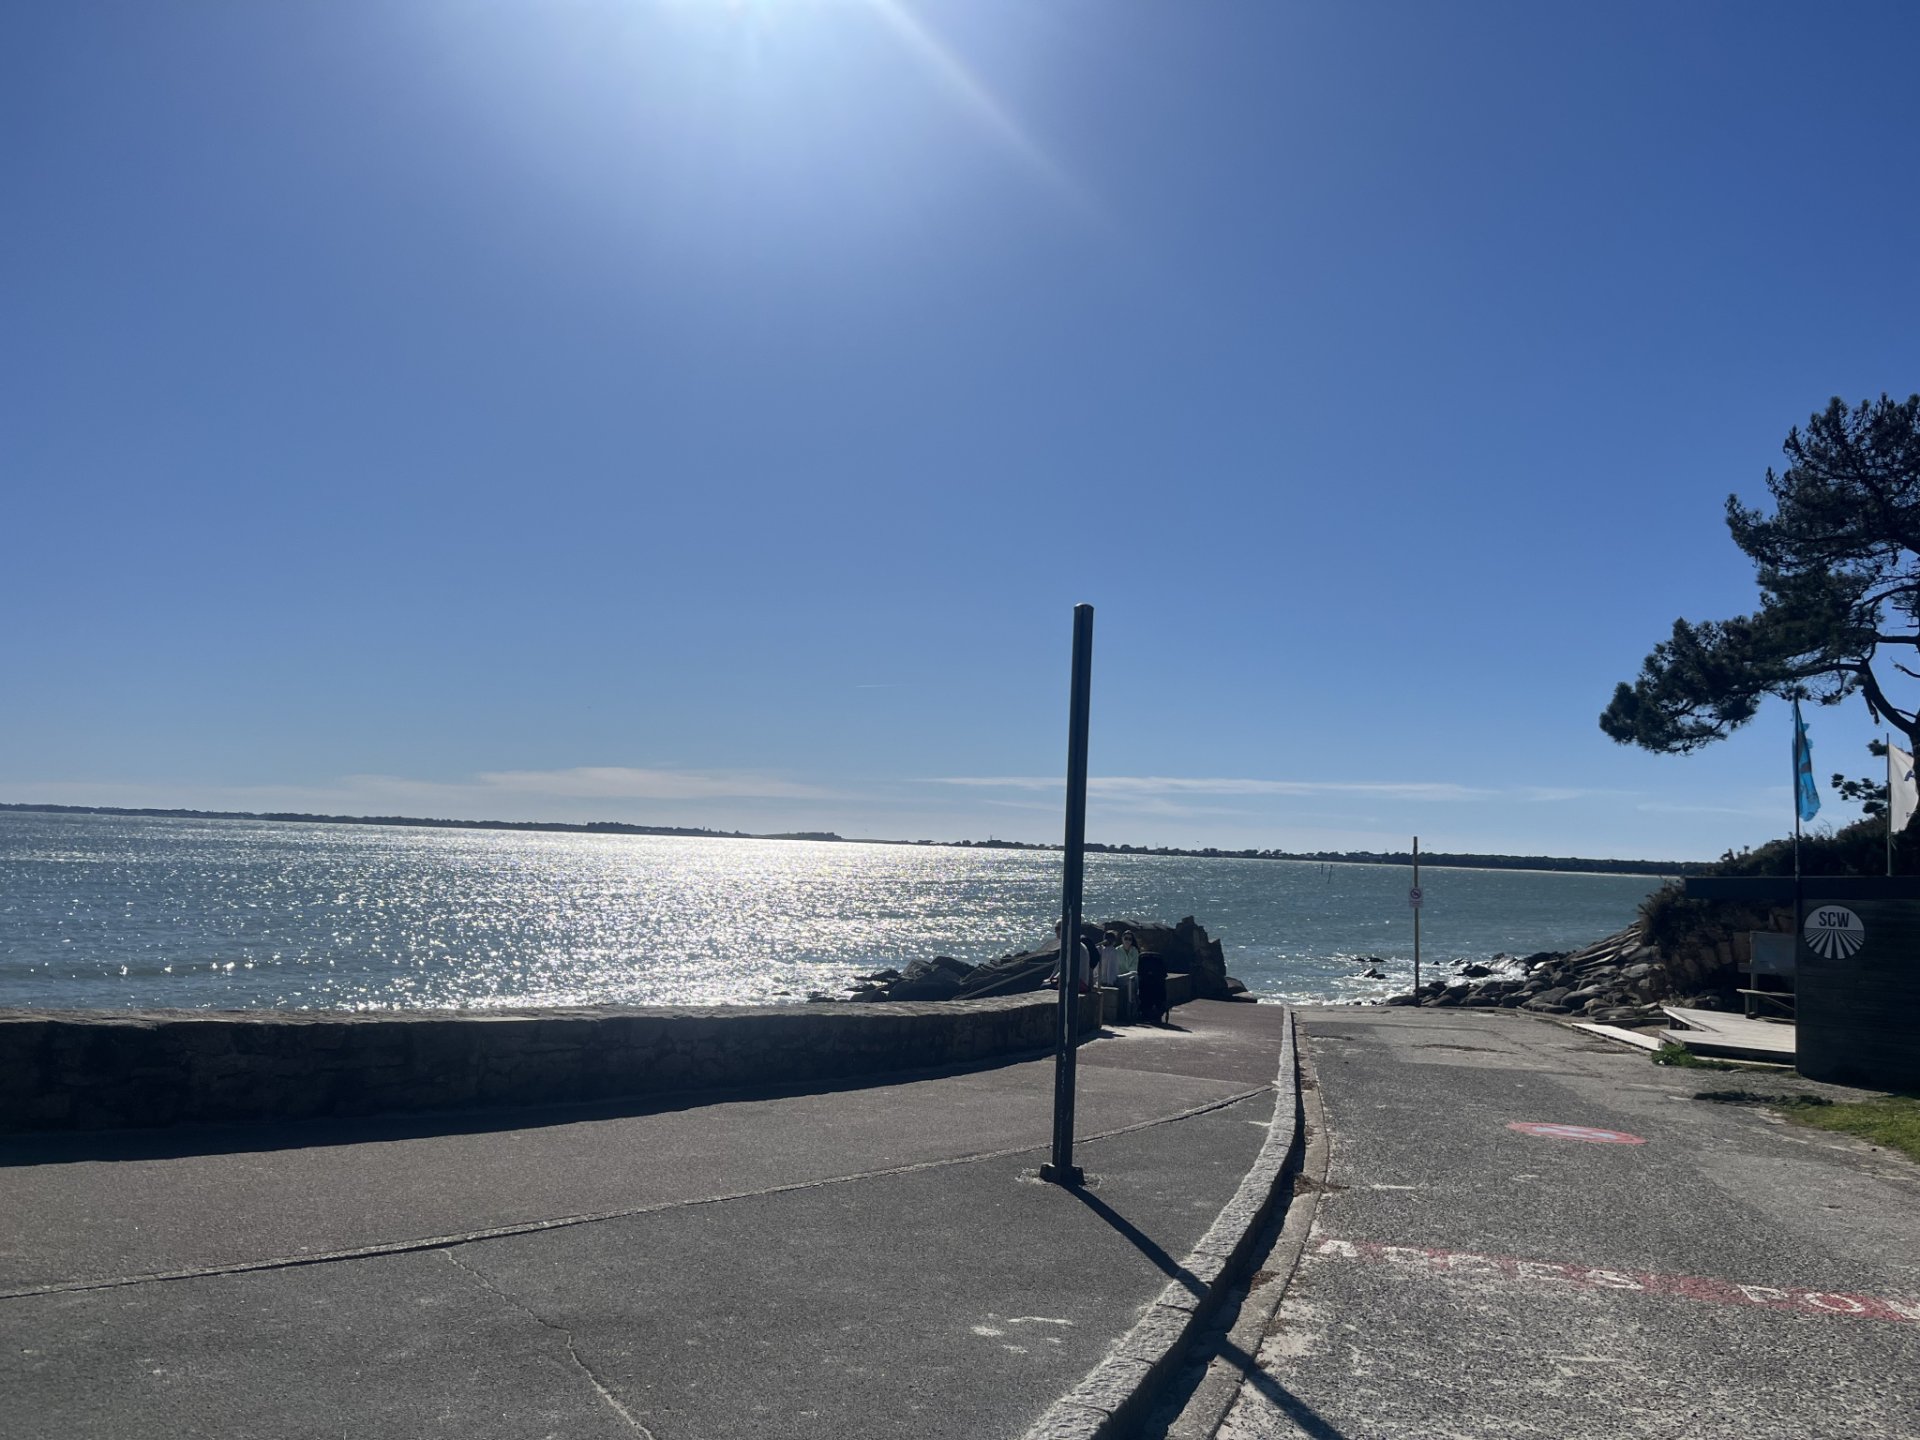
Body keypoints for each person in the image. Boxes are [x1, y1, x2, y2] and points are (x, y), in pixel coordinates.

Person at [1138, 949, 1168, 1026]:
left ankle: (1146, 1013)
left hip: (1146, 987)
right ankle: (1155, 1013)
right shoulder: (1159, 963)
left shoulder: (1143, 960)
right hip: (1156, 987)